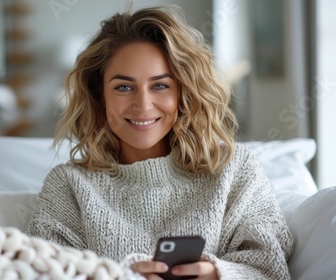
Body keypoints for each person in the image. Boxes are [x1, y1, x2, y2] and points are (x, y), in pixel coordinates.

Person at [27, 5, 293, 280]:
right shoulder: (68, 186)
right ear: (99, 96)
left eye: (160, 85)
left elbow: (271, 268)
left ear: (184, 91)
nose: (143, 105)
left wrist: (217, 274)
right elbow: (40, 274)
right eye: (124, 87)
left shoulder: (235, 169)